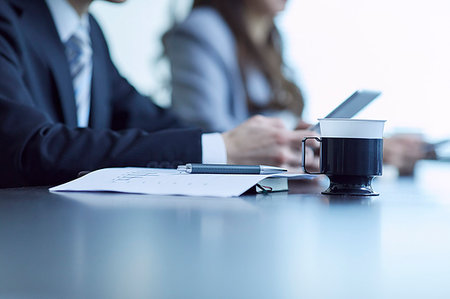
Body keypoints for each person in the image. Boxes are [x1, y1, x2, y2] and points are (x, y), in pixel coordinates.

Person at [0, 0, 318, 188]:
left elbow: (148, 118)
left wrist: (267, 145)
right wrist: (223, 149)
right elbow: (29, 147)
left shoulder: (89, 33)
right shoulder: (7, 18)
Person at [164, 0, 432, 176]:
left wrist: (308, 139)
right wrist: (348, 152)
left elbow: (269, 122)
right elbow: (209, 131)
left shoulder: (270, 38)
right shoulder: (201, 30)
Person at [164, 0, 305, 132]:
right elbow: (205, 127)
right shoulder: (202, 30)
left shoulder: (271, 39)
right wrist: (280, 143)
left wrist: (293, 137)